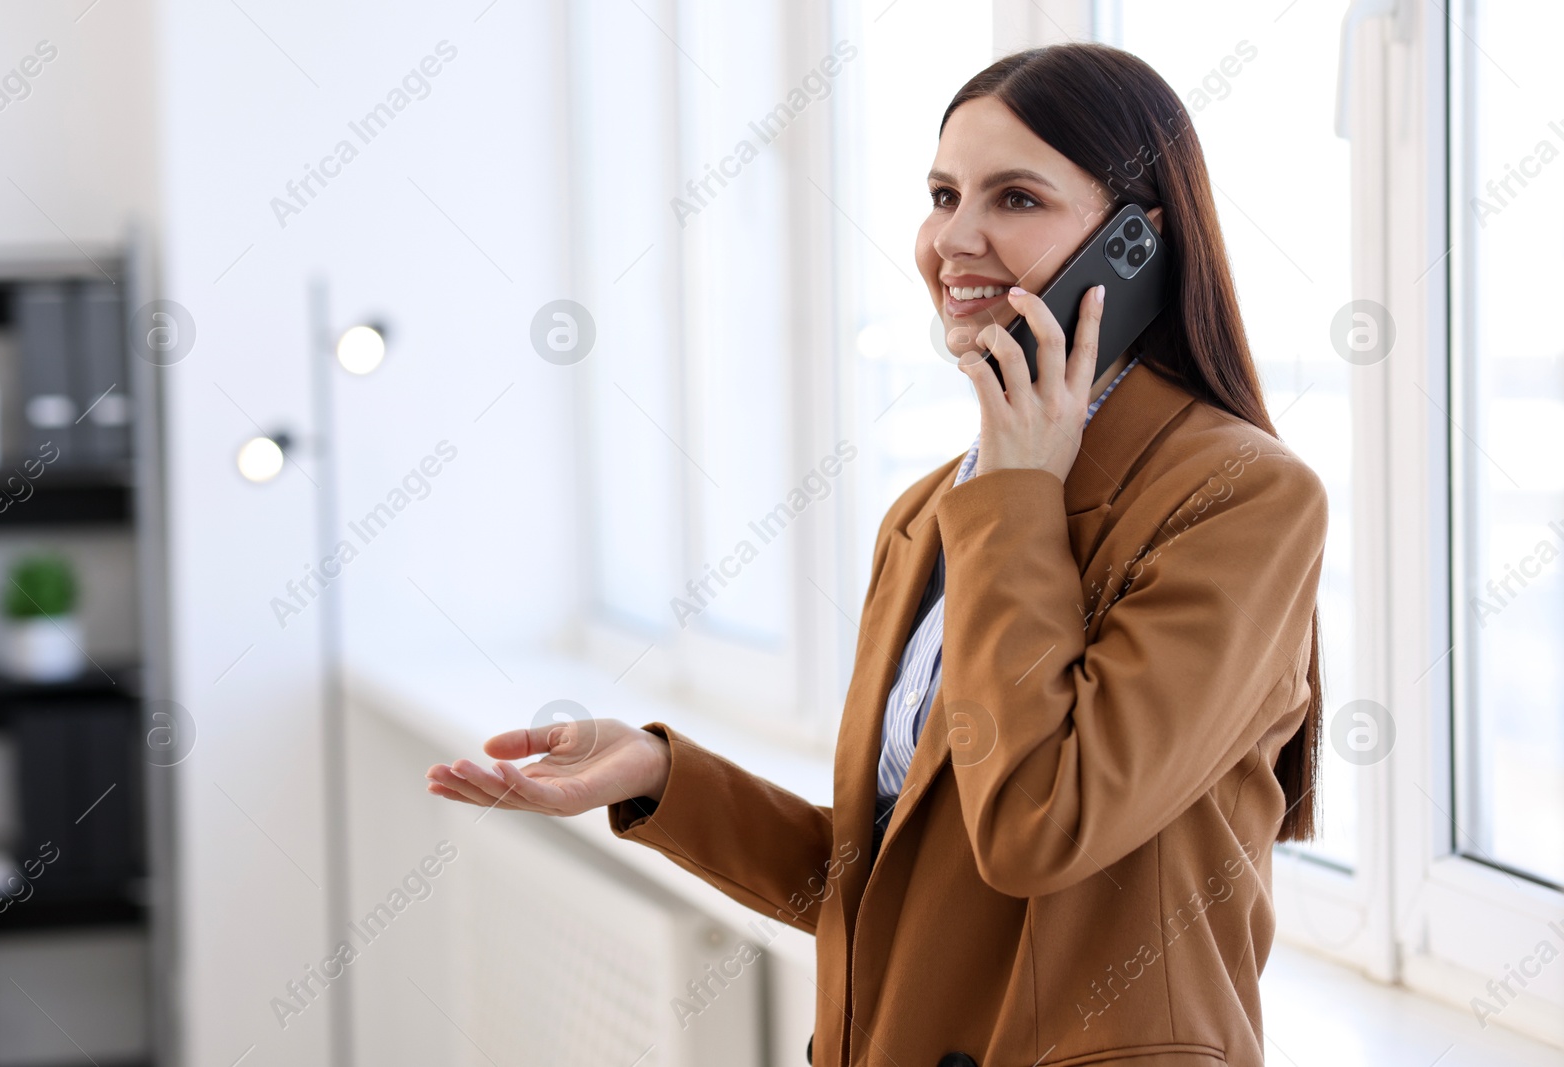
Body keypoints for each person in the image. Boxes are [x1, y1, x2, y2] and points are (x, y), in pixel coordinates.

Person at [428, 41, 1328, 1067]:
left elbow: (1042, 822)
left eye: (1016, 198)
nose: (955, 238)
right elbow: (880, 880)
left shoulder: (1237, 494)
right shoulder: (934, 510)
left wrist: (1018, 492)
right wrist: (659, 772)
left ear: (1136, 243)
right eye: (943, 194)